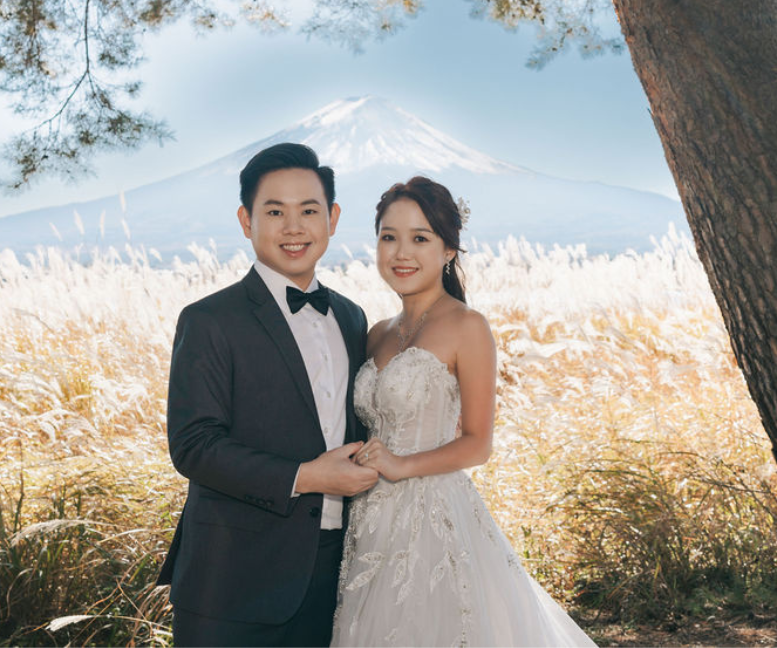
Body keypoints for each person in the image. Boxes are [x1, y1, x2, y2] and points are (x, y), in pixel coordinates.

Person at [330, 176, 595, 647]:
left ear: (448, 250)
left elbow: (478, 443)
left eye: (420, 238)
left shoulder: (467, 326)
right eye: (388, 237)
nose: (400, 253)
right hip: (369, 519)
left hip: (431, 516)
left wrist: (400, 464)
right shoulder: (376, 332)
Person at [157, 143, 379, 647]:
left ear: (333, 218)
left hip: (333, 571)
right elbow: (193, 445)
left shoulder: (350, 315)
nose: (293, 227)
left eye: (309, 211)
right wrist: (307, 476)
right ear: (245, 220)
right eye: (274, 211)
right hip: (232, 579)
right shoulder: (209, 319)